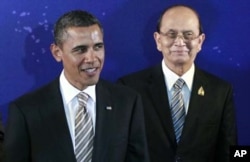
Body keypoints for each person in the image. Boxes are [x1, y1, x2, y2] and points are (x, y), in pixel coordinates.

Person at [4, 10, 149, 162]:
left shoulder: (127, 102)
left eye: (98, 47)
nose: (92, 58)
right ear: (57, 52)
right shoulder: (26, 111)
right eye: (80, 50)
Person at [118, 5, 237, 162]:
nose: (180, 42)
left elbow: (232, 151)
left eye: (188, 35)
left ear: (200, 41)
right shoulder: (129, 88)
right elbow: (119, 149)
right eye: (171, 34)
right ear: (158, 40)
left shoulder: (220, 91)